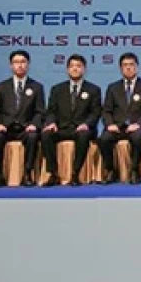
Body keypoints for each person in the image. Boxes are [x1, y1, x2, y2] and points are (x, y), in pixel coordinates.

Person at [41, 54, 102, 186]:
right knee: (46, 135)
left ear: (84, 69)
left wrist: (86, 124)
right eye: (72, 66)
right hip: (62, 128)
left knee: (83, 135)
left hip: (83, 129)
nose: (75, 69)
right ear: (67, 69)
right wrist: (51, 123)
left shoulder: (93, 89)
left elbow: (96, 112)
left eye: (78, 66)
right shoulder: (57, 89)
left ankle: (75, 173)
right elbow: (51, 111)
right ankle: (53, 173)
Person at [0, 49, 46, 187]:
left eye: (23, 62)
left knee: (33, 137)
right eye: (16, 62)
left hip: (26, 128)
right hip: (6, 128)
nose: (19, 65)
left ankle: (27, 174)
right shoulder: (1, 87)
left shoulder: (37, 87)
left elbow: (40, 111)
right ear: (11, 65)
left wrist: (34, 124)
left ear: (28, 64)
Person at [98, 52, 141, 184]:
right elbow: (106, 110)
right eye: (125, 65)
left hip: (138, 127)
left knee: (138, 137)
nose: (128, 68)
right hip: (118, 127)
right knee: (104, 139)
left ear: (137, 67)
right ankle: (111, 170)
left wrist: (138, 124)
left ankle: (134, 170)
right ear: (120, 68)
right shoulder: (113, 88)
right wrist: (110, 124)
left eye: (131, 65)